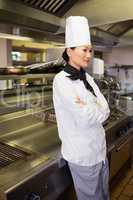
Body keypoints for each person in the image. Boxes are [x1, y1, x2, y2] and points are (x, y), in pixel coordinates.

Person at [53, 16, 110, 200]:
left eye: (90, 50)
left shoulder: (87, 78)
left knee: (104, 196)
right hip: (83, 155)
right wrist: (95, 109)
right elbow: (87, 116)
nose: (89, 55)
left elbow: (105, 109)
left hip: (100, 152)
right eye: (84, 50)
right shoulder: (61, 81)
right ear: (70, 51)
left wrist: (94, 108)